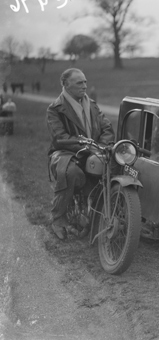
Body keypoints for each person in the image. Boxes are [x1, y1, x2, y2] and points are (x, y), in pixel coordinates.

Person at [46, 68, 115, 240]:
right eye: (79, 83)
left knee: (115, 169)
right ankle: (58, 218)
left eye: (85, 81)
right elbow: (59, 138)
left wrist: (100, 146)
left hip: (95, 151)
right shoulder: (56, 109)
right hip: (65, 153)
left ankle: (103, 213)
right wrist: (85, 146)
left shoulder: (91, 104)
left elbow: (107, 128)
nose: (84, 86)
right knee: (71, 173)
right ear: (66, 85)